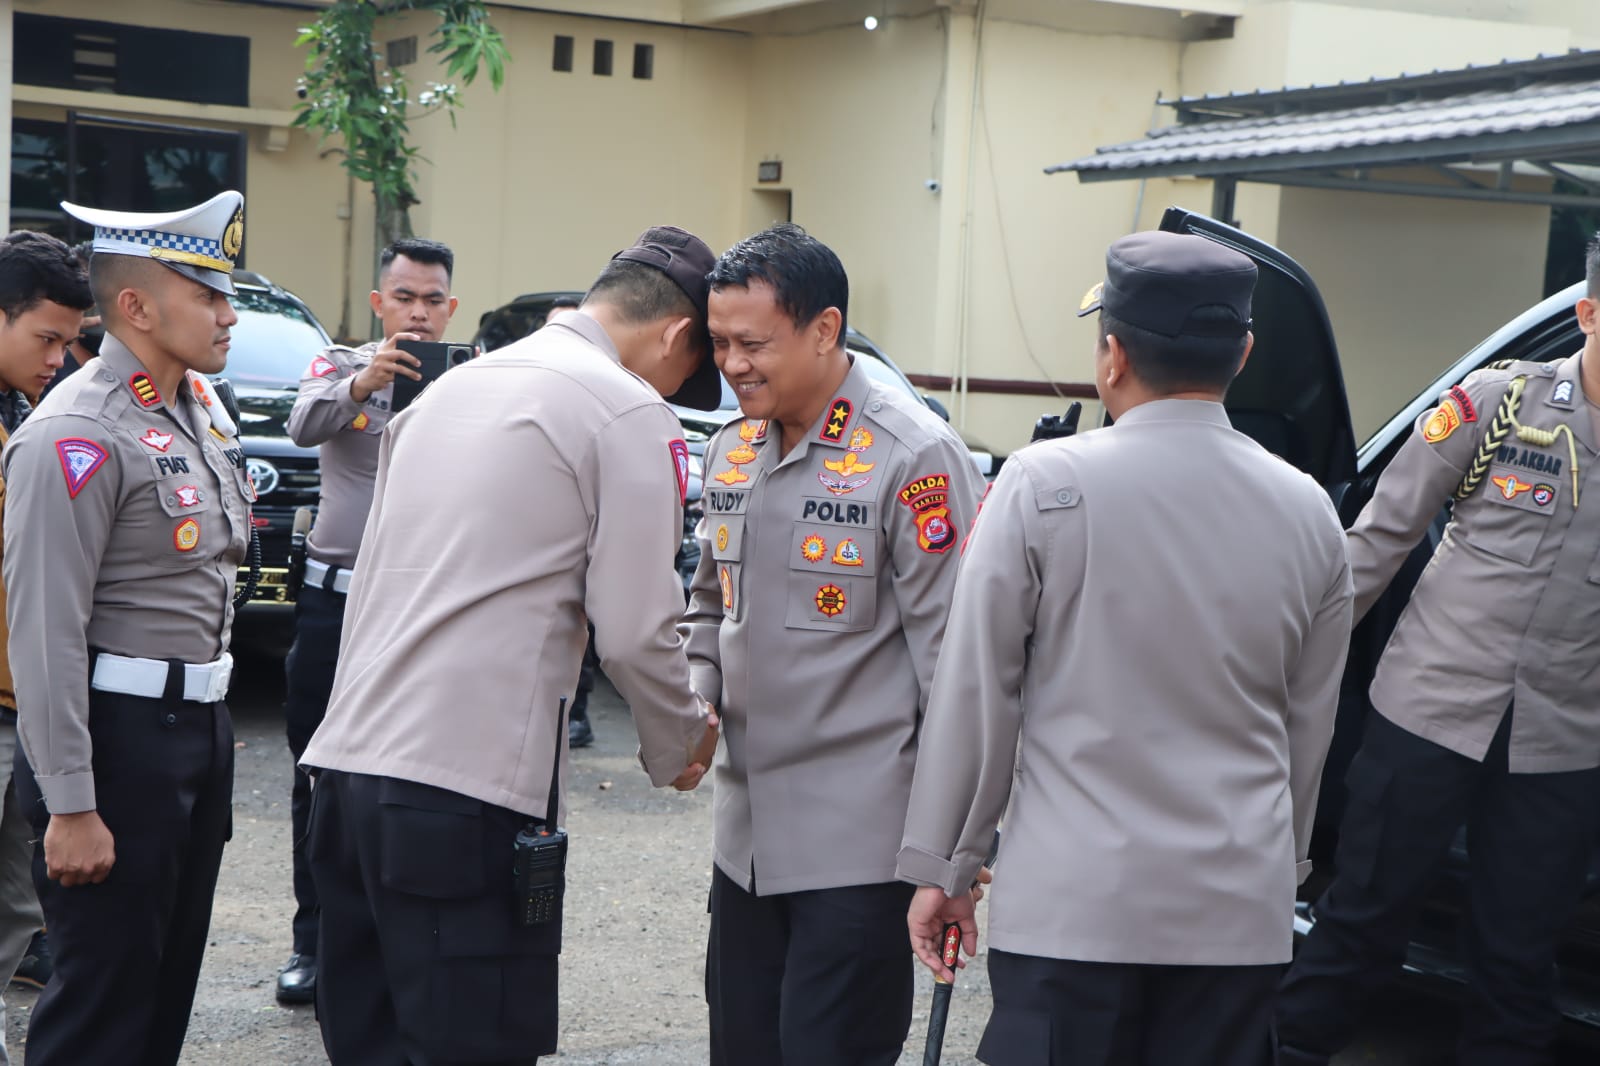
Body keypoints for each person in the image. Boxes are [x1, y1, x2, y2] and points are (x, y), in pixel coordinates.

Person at [897, 231, 1353, 1066]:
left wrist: (947, 867)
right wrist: (1280, 869)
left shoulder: (1042, 485)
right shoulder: (1309, 510)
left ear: (1111, 354)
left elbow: (977, 696)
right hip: (1236, 913)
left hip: (1076, 907)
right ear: (1242, 353)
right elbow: (1307, 724)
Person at [300, 224, 724, 1065]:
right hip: (464, 798)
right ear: (679, 334)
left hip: (345, 779)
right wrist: (681, 740)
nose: (674, 388)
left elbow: (373, 576)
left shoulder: (447, 394)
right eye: (689, 372)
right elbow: (639, 626)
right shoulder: (625, 408)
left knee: (369, 1040)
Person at [1274, 239, 1600, 1065]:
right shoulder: (1499, 405)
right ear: (1589, 315)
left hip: (1563, 743)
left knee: (1519, 959)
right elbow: (1375, 543)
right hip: (1426, 713)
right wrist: (1278, 669)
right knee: (1360, 923)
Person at [681, 223, 983, 1065]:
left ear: (824, 329)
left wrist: (948, 858)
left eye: (753, 343)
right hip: (744, 847)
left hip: (858, 854)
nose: (733, 364)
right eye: (718, 343)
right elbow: (709, 606)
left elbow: (957, 671)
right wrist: (696, 691)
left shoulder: (912, 456)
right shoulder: (732, 449)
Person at [3, 191, 251, 1066]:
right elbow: (44, 635)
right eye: (208, 294)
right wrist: (71, 802)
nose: (229, 313)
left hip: (194, 734)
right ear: (138, 306)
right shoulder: (77, 432)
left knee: (161, 994)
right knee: (100, 1006)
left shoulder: (189, 414)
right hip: (116, 744)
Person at [276, 236, 458, 1005]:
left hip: (415, 606)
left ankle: (390, 947)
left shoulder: (467, 380)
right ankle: (312, 943)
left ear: (451, 306)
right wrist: (361, 383)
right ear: (380, 301)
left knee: (406, 778)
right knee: (315, 773)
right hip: (335, 601)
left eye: (432, 299)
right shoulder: (337, 363)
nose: (418, 312)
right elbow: (299, 425)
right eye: (405, 297)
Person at [0, 229, 92, 1053]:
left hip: (20, 708)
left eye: (70, 342)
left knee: (15, 912)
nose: (61, 359)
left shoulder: (31, 414)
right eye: (47, 339)